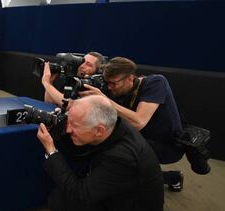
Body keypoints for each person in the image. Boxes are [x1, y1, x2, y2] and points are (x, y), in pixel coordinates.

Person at [83, 57, 211, 192]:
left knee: (116, 162)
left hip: (167, 146)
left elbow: (139, 121)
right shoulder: (119, 90)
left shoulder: (156, 82)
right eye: (107, 82)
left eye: (113, 83)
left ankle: (171, 177)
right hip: (140, 139)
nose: (109, 87)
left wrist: (104, 100)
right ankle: (172, 177)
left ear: (130, 78)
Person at [37, 95, 164, 210]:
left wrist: (51, 150)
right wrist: (58, 130)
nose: (68, 129)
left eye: (74, 125)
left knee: (60, 201)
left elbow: (79, 195)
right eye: (68, 121)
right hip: (118, 192)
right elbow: (79, 148)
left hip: (128, 205)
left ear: (99, 130)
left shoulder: (121, 157)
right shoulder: (112, 124)